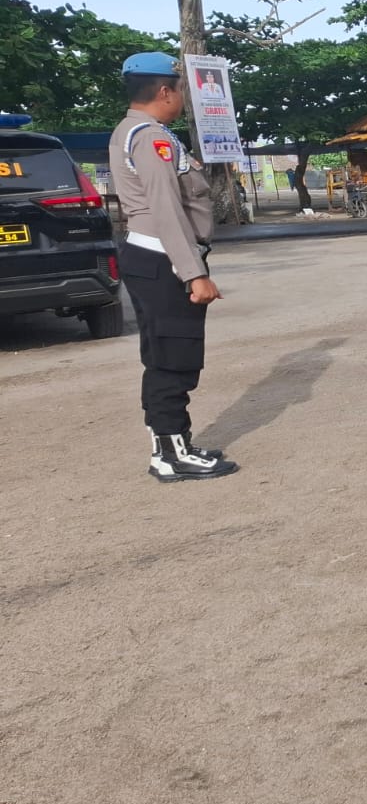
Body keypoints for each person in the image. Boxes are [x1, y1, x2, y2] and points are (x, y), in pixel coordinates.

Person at [110, 51, 237, 481]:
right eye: (179, 88)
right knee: (173, 357)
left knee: (163, 354)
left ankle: (170, 446)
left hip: (151, 258)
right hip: (163, 260)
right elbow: (166, 208)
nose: (181, 96)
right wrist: (194, 273)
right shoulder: (150, 137)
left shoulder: (130, 131)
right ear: (165, 90)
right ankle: (171, 455)